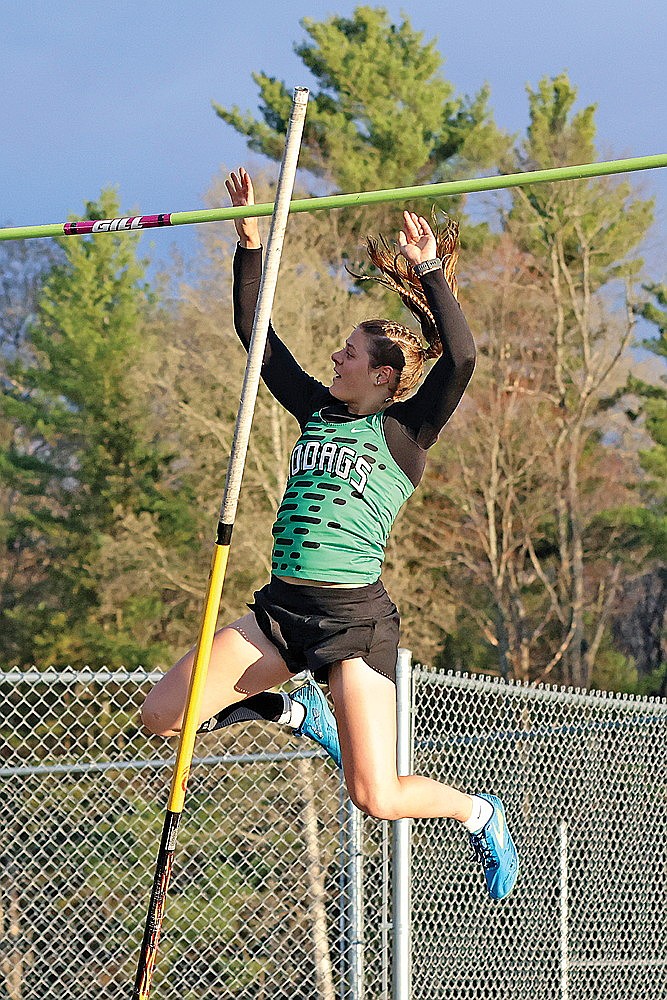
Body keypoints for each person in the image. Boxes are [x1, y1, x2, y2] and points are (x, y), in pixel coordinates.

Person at [141, 168, 519, 901]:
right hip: (282, 612)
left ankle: (479, 810)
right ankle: (289, 708)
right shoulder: (316, 409)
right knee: (163, 720)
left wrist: (430, 272)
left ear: (381, 377)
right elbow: (257, 336)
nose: (336, 357)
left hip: (352, 623)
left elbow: (463, 357)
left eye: (349, 352)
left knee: (373, 795)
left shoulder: (405, 433)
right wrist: (249, 243)